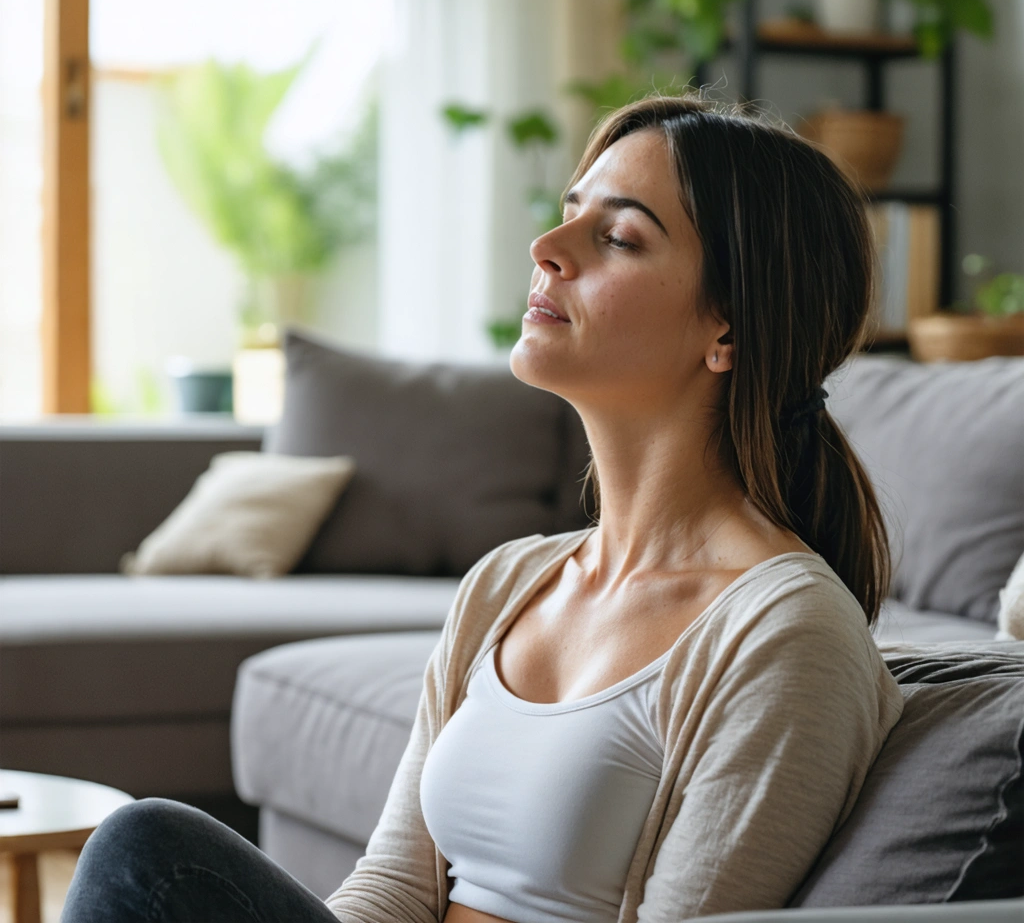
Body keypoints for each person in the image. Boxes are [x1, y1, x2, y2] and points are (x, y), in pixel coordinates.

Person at [61, 91, 904, 923]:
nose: (546, 246)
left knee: (147, 855)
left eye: (616, 237)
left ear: (728, 329)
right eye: (569, 214)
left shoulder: (788, 633)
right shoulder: (512, 582)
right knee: (150, 850)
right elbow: (394, 887)